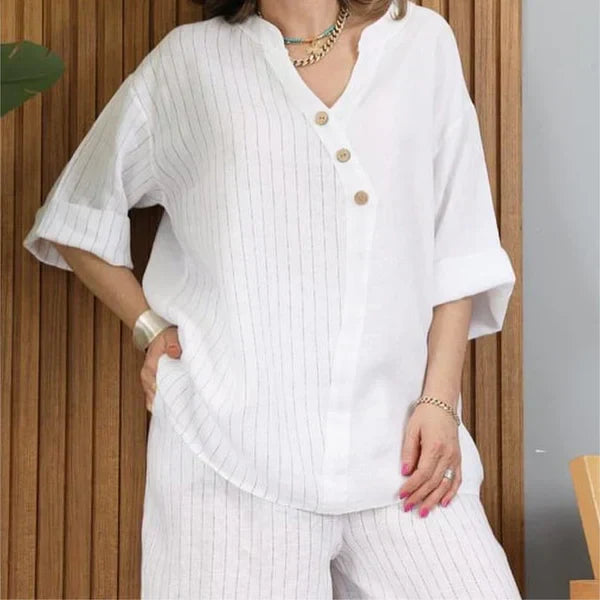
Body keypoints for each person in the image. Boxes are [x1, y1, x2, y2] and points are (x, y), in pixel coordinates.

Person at [23, 0, 522, 597]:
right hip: (227, 460)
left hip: (404, 456)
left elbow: (459, 243)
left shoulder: (421, 43)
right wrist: (149, 327)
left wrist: (440, 402)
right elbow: (78, 214)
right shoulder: (190, 62)